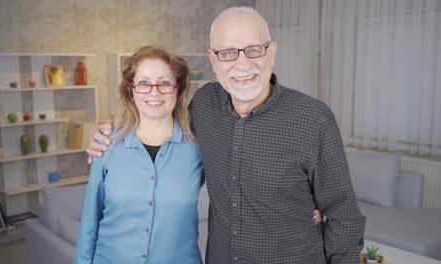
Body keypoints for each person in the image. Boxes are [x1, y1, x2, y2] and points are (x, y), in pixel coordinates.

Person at [87, 6, 364, 263]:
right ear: (213, 60)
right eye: (229, 52)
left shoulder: (313, 119)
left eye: (254, 49)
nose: (242, 65)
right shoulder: (204, 105)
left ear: (272, 52)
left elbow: (345, 218)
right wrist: (106, 134)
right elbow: (155, 122)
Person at [74, 46, 204, 263]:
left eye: (164, 82)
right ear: (131, 90)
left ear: (177, 88)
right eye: (144, 83)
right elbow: (90, 220)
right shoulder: (106, 145)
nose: (154, 92)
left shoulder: (199, 148)